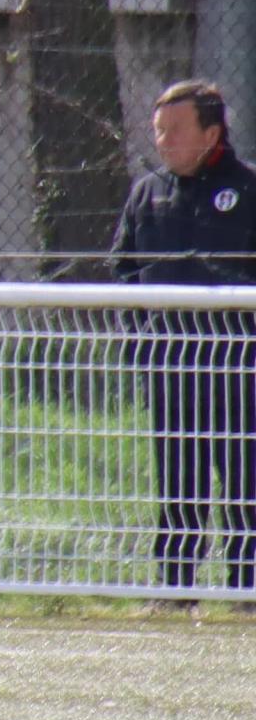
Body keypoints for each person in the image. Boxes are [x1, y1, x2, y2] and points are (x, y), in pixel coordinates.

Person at [109, 79, 256, 592]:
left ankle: (246, 590)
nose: (163, 141)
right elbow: (122, 269)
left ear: (212, 132)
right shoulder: (148, 195)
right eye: (158, 131)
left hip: (240, 370)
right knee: (177, 482)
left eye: (175, 130)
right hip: (171, 366)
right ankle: (175, 590)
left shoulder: (248, 191)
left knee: (245, 482)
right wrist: (141, 341)